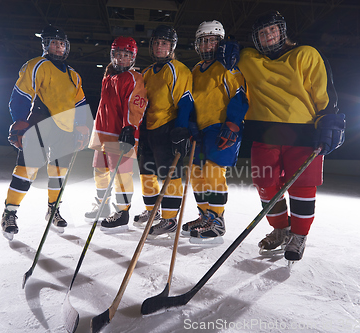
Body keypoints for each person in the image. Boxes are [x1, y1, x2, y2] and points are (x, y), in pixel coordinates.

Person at [235, 11, 345, 260]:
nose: (268, 36)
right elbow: (229, 62)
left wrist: (330, 122)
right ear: (256, 39)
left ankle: (299, 235)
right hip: (264, 134)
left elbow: (323, 92)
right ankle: (281, 229)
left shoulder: (306, 54)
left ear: (282, 31)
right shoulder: (248, 58)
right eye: (262, 34)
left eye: (272, 30)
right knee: (265, 185)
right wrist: (227, 48)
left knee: (302, 188)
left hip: (304, 134)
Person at [0, 25, 89, 240]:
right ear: (46, 45)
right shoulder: (37, 65)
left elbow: (80, 104)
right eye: (54, 43)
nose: (59, 47)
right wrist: (20, 121)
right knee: (26, 170)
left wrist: (82, 126)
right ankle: (9, 213)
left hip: (65, 130)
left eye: (62, 43)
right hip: (39, 124)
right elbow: (21, 94)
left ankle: (53, 210)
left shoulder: (74, 75)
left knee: (59, 173)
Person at [181, 20, 248, 243]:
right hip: (200, 131)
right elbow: (190, 100)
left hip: (220, 129)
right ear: (197, 44)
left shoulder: (227, 67)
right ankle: (205, 215)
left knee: (213, 174)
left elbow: (239, 95)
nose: (208, 45)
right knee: (197, 174)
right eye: (204, 41)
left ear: (220, 43)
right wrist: (190, 124)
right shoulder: (195, 70)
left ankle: (217, 220)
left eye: (213, 40)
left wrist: (233, 123)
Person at [135, 25, 194, 237]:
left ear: (172, 47)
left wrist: (181, 129)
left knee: (170, 175)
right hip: (149, 130)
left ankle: (169, 219)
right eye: (157, 43)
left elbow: (185, 101)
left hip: (167, 128)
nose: (160, 47)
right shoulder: (147, 72)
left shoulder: (178, 69)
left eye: (165, 43)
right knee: (146, 173)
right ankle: (153, 212)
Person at [87, 36, 148, 232]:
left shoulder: (133, 78)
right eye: (118, 55)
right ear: (112, 56)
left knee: (122, 174)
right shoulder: (109, 77)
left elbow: (136, 104)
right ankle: (102, 205)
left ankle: (122, 212)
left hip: (121, 135)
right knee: (99, 171)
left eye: (126, 55)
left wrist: (129, 127)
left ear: (133, 58)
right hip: (103, 133)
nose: (121, 59)